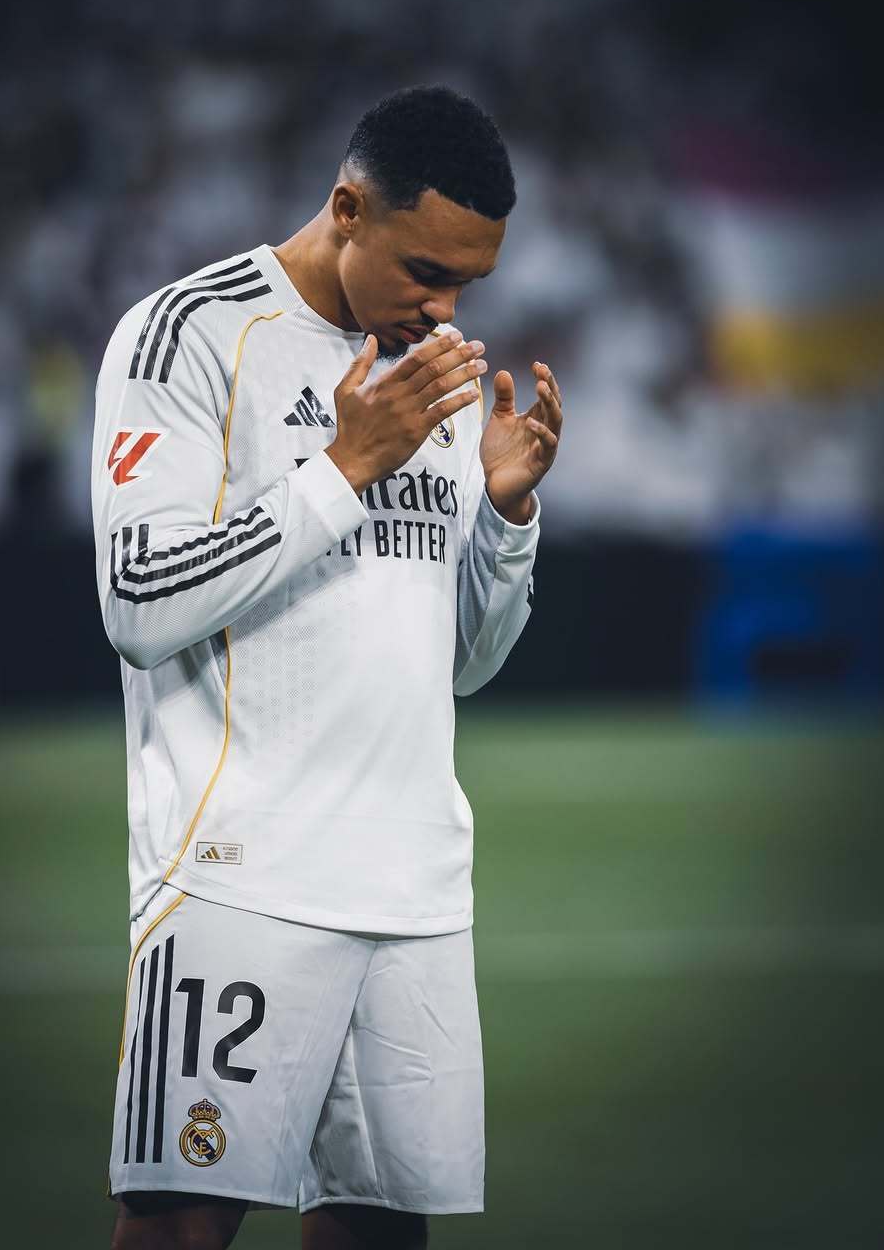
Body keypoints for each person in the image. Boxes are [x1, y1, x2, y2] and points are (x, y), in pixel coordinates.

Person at [91, 84, 563, 1249]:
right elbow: (138, 602)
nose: (443, 309)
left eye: (468, 284)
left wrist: (506, 523)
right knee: (178, 1230)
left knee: (380, 1235)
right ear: (348, 208)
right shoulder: (191, 335)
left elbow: (462, 667)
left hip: (412, 888)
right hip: (242, 877)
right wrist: (344, 468)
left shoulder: (434, 374)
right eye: (424, 271)